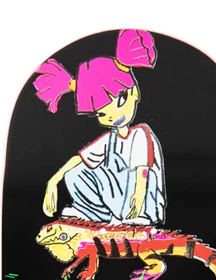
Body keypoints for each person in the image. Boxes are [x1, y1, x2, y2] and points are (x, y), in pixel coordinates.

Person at [33, 29, 166, 225]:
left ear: (135, 92)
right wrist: (54, 180)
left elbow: (142, 172)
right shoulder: (110, 139)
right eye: (101, 114)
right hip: (120, 201)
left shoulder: (140, 134)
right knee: (75, 171)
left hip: (143, 198)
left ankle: (140, 216)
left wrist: (138, 201)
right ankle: (97, 214)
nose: (112, 116)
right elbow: (80, 159)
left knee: (134, 175)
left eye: (120, 101)